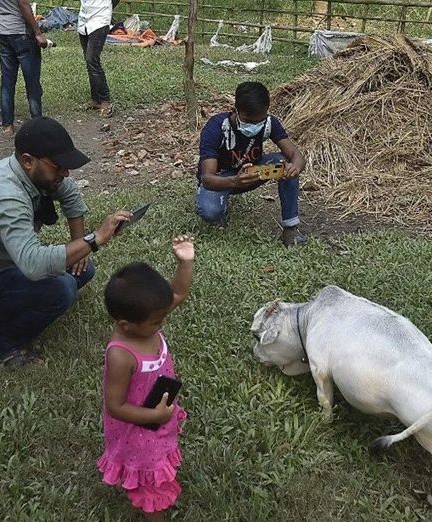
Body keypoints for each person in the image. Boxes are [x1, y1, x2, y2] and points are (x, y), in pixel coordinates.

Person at [0, 117, 130, 366]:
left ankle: (14, 307)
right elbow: (33, 265)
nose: (65, 173)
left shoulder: (30, 173)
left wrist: (79, 242)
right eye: (58, 166)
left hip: (1, 269)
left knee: (83, 268)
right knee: (61, 288)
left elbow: (70, 193)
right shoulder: (6, 196)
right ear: (28, 160)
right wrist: (94, 239)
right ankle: (0, 345)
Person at [97, 236, 194, 522]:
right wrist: (155, 415)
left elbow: (177, 294)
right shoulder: (121, 355)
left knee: (158, 462)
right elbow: (115, 406)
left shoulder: (145, 321)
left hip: (157, 415)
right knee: (151, 486)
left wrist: (185, 263)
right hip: (138, 431)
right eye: (157, 322)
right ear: (125, 325)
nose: (162, 323)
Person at [195, 81, 307, 246]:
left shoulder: (269, 123)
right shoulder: (216, 128)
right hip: (221, 179)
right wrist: (235, 181)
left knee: (286, 163)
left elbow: (296, 155)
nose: (254, 126)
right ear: (235, 111)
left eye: (259, 121)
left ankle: (290, 228)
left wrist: (295, 168)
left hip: (252, 173)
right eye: (248, 121)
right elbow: (207, 179)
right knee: (211, 212)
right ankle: (220, 204)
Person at [0, 0, 49, 133]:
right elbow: (23, 4)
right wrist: (37, 32)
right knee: (32, 81)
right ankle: (37, 121)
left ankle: (7, 125)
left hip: (2, 29)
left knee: (7, 81)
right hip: (20, 31)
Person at [78, 0, 113, 118]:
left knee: (92, 59)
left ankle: (105, 100)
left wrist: (106, 6)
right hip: (84, 19)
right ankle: (96, 99)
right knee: (89, 61)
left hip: (100, 18)